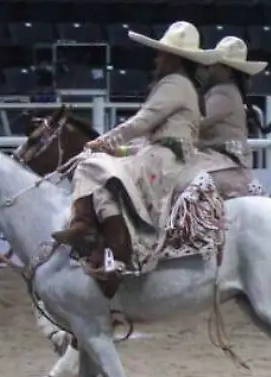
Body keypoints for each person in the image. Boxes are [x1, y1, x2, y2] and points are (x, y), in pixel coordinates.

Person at [52, 22, 206, 284]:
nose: (157, 59)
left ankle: (89, 231)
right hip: (161, 156)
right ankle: (105, 245)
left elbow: (142, 122)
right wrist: (120, 149)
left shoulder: (175, 84)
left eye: (162, 54)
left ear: (175, 59)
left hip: (162, 162)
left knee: (92, 167)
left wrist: (103, 141)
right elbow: (156, 135)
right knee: (105, 172)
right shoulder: (182, 85)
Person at [192, 35, 266, 199]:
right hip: (224, 162)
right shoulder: (229, 92)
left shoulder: (223, 93)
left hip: (223, 165)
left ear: (227, 70)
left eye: (215, 65)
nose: (210, 68)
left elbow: (198, 125)